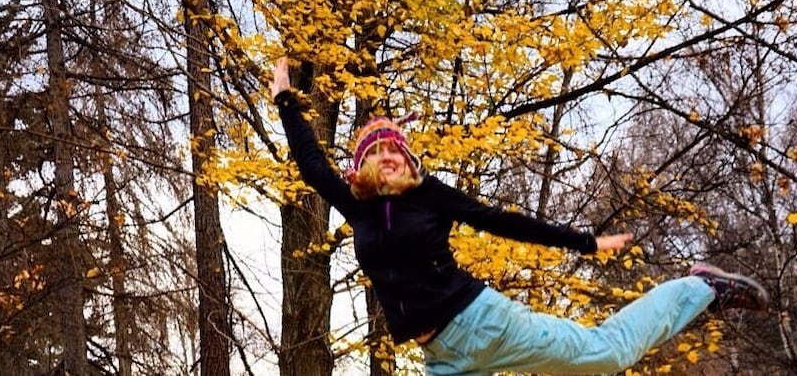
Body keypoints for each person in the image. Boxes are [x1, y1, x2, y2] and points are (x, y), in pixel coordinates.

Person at [270, 58, 769, 376]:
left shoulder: (429, 195)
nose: (391, 158)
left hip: (483, 323)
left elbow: (502, 222)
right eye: (378, 153)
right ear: (363, 167)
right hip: (443, 358)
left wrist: (585, 243)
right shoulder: (355, 208)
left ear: (410, 159)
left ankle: (699, 290)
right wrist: (285, 99)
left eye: (397, 150)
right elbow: (312, 165)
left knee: (606, 355)